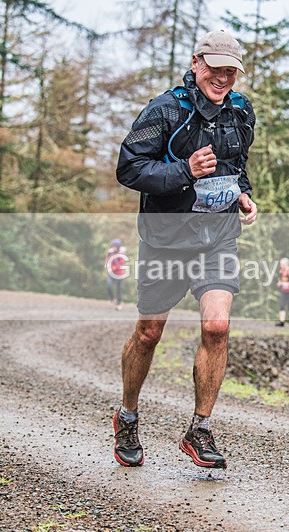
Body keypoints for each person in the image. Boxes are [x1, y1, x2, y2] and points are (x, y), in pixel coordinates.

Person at [112, 30, 258, 469]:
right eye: (215, 67)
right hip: (167, 240)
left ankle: (200, 429)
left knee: (217, 327)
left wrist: (243, 194)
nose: (222, 77)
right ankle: (127, 416)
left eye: (231, 70)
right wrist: (184, 171)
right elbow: (129, 168)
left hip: (218, 237)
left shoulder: (241, 110)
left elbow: (236, 165)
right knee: (148, 333)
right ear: (196, 63)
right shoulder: (164, 110)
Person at [105, 239, 127, 311]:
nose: (114, 247)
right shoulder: (110, 252)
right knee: (108, 286)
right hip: (111, 274)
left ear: (118, 247)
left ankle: (119, 304)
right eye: (113, 246)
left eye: (115, 246)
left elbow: (120, 264)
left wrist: (112, 268)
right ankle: (112, 299)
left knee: (119, 289)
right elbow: (107, 260)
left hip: (120, 274)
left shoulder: (122, 253)